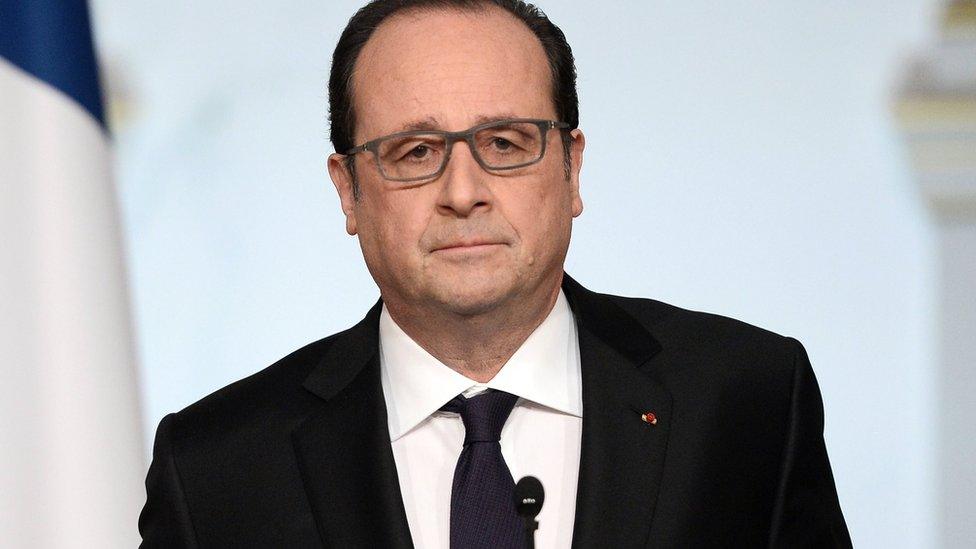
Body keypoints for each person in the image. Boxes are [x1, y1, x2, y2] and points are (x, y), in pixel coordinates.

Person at [139, 0, 852, 547]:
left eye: (505, 143)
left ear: (572, 168)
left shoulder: (748, 401)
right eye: (416, 152)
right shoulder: (217, 469)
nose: (462, 191)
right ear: (348, 191)